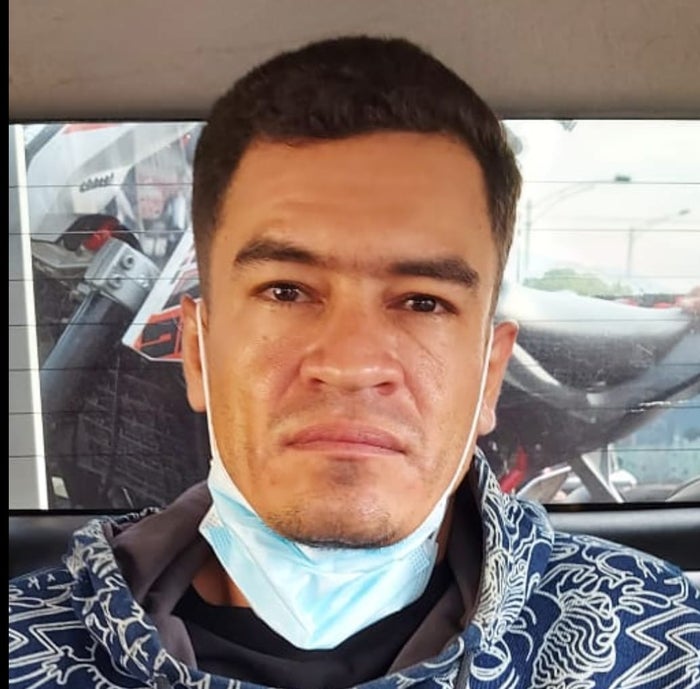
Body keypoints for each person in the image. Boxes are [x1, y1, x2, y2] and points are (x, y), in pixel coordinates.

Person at [9, 35, 700, 689]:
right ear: (197, 352)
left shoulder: (658, 645)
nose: (351, 365)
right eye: (286, 291)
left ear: (489, 375)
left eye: (423, 301)